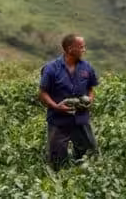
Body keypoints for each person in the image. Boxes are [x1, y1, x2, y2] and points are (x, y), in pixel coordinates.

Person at [39, 33, 99, 171]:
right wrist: (56, 106)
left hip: (81, 119)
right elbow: (42, 93)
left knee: (89, 155)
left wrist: (90, 99)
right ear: (70, 49)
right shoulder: (51, 68)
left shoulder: (87, 67)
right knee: (57, 161)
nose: (84, 50)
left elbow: (90, 89)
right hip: (58, 121)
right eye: (82, 47)